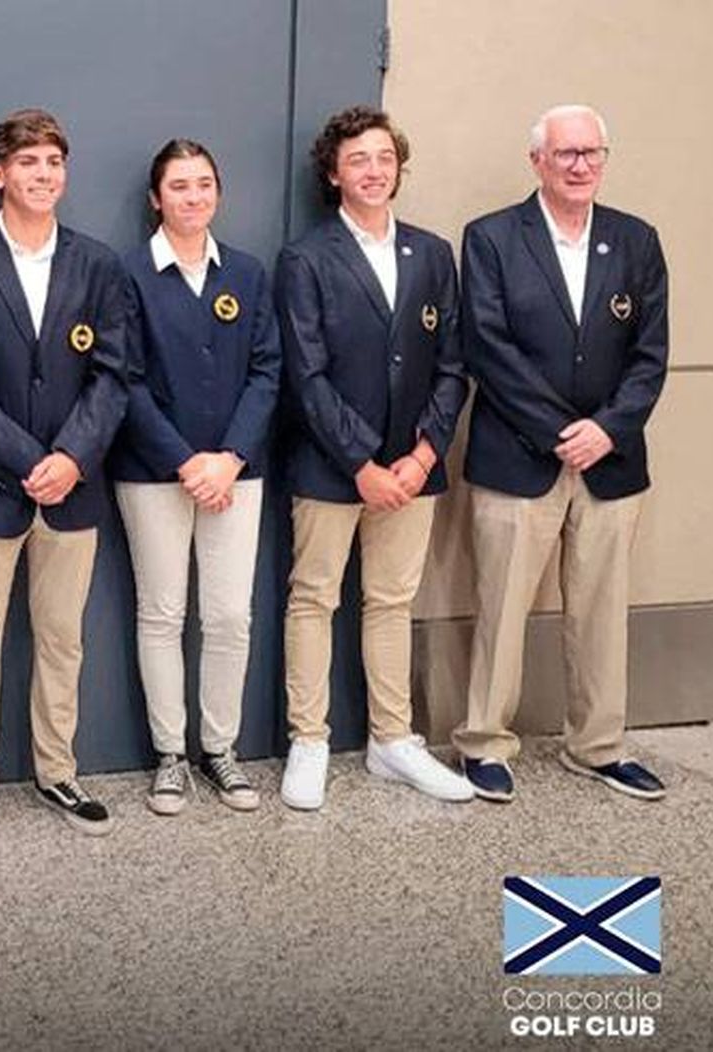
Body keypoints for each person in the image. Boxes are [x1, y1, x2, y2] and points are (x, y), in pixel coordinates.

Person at [452, 105, 669, 803]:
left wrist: (606, 428)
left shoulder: (635, 240)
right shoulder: (491, 239)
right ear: (537, 161)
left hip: (612, 462)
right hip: (519, 457)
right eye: (566, 153)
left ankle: (598, 746)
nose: (580, 165)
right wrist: (558, 429)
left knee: (603, 610)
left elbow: (650, 353)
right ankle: (483, 742)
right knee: (502, 606)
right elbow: (488, 346)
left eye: (592, 152)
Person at [0, 108, 129, 846]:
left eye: (52, 162)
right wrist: (26, 461)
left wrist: (71, 457)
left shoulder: (97, 264)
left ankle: (56, 768)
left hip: (74, 489)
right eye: (27, 162)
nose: (42, 174)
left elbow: (112, 378)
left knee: (61, 639)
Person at [275, 105, 472, 811]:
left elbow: (453, 365)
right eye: (358, 159)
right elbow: (306, 374)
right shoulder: (306, 258)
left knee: (391, 601)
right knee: (314, 598)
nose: (374, 170)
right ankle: (309, 739)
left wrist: (421, 456)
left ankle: (393, 741)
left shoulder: (432, 254)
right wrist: (362, 461)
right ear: (333, 173)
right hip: (333, 468)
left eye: (385, 158)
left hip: (411, 471)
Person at [110, 138, 280, 815]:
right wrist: (185, 461)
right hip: (155, 475)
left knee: (230, 616)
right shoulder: (127, 275)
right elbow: (124, 380)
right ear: (156, 198)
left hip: (237, 473)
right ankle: (170, 756)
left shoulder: (246, 272)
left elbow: (269, 370)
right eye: (178, 186)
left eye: (203, 184)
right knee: (160, 613)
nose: (192, 196)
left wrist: (229, 458)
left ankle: (220, 749)